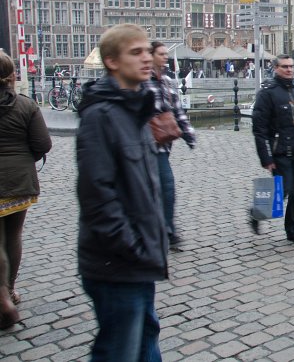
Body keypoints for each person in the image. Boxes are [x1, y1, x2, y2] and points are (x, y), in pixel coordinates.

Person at [76, 24, 168, 361]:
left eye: (147, 51)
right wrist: (132, 246)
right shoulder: (101, 116)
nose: (147, 59)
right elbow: (96, 196)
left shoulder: (135, 109)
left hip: (138, 261)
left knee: (146, 346)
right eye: (136, 52)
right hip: (117, 263)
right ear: (112, 62)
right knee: (118, 351)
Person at [0, 51, 52, 329]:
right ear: (11, 76)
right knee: (13, 235)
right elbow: (43, 144)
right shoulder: (26, 105)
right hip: (18, 181)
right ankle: (7, 290)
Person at [251, 54, 294, 243]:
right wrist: (266, 158)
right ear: (276, 68)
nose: (289, 69)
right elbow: (259, 129)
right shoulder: (267, 93)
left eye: (291, 66)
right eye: (284, 66)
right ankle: (256, 212)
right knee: (283, 191)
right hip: (280, 152)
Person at [145, 41, 196, 248]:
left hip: (163, 144)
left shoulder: (167, 81)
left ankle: (164, 229)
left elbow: (177, 111)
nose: (165, 57)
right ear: (151, 55)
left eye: (166, 53)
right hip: (147, 145)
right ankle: (166, 231)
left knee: (162, 189)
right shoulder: (142, 82)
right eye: (161, 53)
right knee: (165, 186)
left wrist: (188, 134)